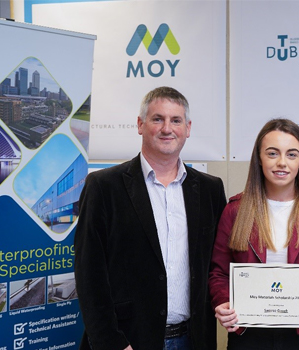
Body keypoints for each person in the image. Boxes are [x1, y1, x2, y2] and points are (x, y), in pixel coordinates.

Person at [74, 86, 227, 350]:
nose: (167, 128)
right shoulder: (103, 186)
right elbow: (89, 275)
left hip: (193, 340)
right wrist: (112, 343)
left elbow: (219, 265)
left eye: (176, 120)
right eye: (158, 119)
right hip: (129, 341)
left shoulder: (210, 189)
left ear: (187, 128)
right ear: (140, 124)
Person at [209, 118, 299, 349]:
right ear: (259, 159)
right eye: (272, 153)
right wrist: (222, 301)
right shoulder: (235, 211)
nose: (282, 163)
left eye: (292, 155)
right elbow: (219, 273)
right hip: (247, 334)